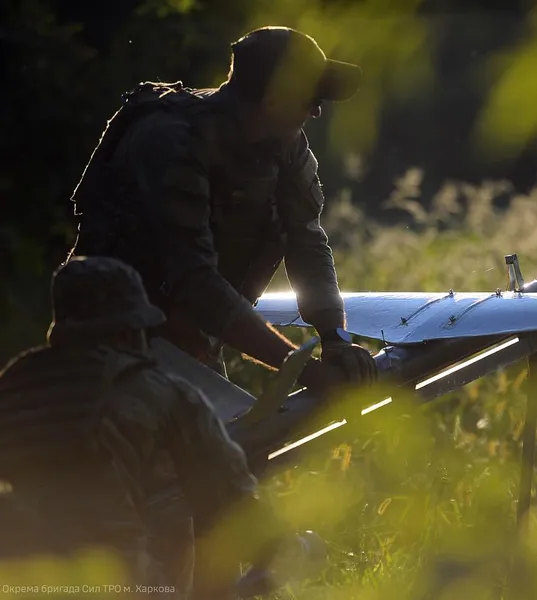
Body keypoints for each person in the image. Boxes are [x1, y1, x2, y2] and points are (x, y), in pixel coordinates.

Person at [66, 25, 378, 387]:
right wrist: (304, 372)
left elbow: (305, 239)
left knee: (224, 442)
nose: (318, 112)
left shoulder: (285, 142)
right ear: (274, 100)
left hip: (190, 340)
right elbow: (193, 279)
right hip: (111, 342)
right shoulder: (171, 140)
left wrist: (335, 340)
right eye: (311, 99)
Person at [0, 257, 314, 598]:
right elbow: (229, 500)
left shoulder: (15, 383)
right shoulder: (156, 389)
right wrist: (285, 550)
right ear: (129, 330)